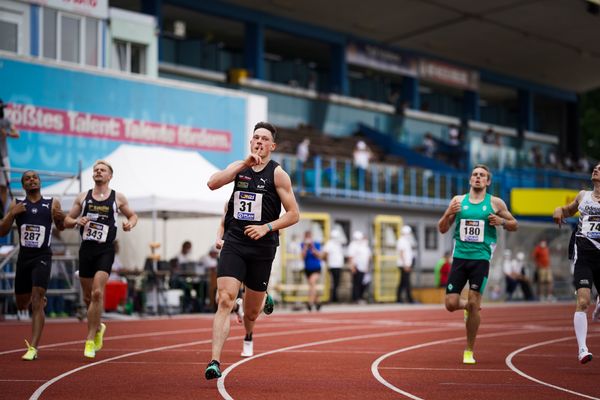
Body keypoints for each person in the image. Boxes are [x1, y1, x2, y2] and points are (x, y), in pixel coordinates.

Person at [204, 121, 299, 380]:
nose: (258, 142)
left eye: (264, 139)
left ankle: (256, 311)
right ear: (251, 142)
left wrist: (266, 227)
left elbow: (294, 214)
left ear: (272, 146)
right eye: (255, 137)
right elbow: (212, 183)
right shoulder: (240, 167)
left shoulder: (278, 174)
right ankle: (214, 361)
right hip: (235, 242)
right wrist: (244, 164)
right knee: (224, 299)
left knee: (251, 312)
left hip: (262, 246)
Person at [438, 164, 518, 364]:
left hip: (481, 259)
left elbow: (514, 225)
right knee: (450, 304)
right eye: (474, 174)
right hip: (460, 258)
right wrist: (448, 212)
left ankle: (469, 350)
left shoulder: (496, 203)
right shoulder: (457, 201)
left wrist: (501, 222)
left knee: (475, 303)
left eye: (482, 175)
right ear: (470, 179)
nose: (478, 177)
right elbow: (441, 229)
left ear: (488, 181)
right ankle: (467, 307)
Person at [63, 160, 137, 359]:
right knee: (88, 298)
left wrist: (129, 224)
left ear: (110, 176)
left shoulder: (117, 198)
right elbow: (66, 220)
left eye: (102, 170)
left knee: (97, 293)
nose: (98, 172)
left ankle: (89, 339)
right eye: (96, 170)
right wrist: (76, 220)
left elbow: (133, 216)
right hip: (86, 250)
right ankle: (98, 327)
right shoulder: (83, 197)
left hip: (106, 249)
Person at [0, 170, 65, 360]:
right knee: (22, 304)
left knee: (37, 299)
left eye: (34, 177)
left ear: (40, 182)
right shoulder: (17, 204)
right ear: (23, 185)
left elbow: (61, 227)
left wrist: (60, 218)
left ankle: (33, 348)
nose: (31, 180)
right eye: (27, 179)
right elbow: (2, 231)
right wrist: (12, 214)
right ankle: (39, 301)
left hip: (42, 256)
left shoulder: (52, 202)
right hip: (24, 257)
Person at [552, 162, 600, 364]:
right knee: (582, 301)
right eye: (595, 168)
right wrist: (558, 210)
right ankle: (582, 349)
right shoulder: (583, 195)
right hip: (583, 255)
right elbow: (568, 210)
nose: (595, 169)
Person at [0, 99, 20, 213]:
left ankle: (2, 213)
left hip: (3, 157)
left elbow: (17, 134)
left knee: (3, 186)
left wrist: (6, 133)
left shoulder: (6, 121)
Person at [347, 230, 371, 303]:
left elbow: (368, 257)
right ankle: (356, 298)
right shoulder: (353, 245)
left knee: (363, 283)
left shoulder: (363, 245)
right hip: (357, 267)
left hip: (363, 267)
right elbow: (350, 257)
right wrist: (352, 267)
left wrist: (367, 266)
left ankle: (360, 297)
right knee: (356, 283)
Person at [301, 230, 323, 311]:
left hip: (316, 267)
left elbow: (319, 255)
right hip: (307, 268)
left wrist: (312, 247)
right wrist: (306, 248)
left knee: (312, 282)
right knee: (312, 286)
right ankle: (318, 302)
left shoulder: (316, 244)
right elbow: (302, 257)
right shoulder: (303, 245)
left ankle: (310, 303)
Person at [322, 229, 345, 303]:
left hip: (338, 265)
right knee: (334, 283)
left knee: (336, 283)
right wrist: (327, 262)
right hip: (332, 265)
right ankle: (333, 298)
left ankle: (335, 298)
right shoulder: (329, 243)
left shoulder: (338, 244)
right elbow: (325, 254)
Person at [396, 225, 415, 303]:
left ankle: (398, 299)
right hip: (404, 265)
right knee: (406, 283)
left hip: (406, 264)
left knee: (402, 282)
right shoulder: (401, 240)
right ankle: (409, 299)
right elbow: (401, 253)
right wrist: (405, 265)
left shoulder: (406, 241)